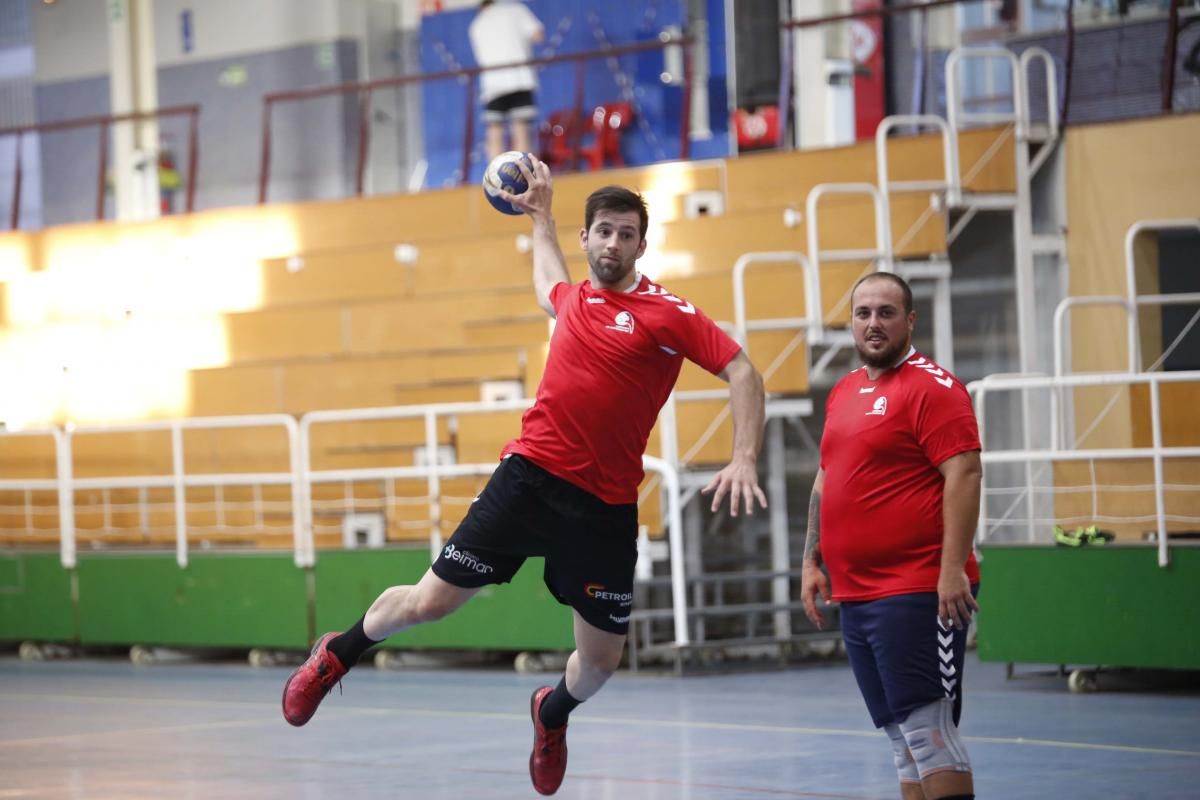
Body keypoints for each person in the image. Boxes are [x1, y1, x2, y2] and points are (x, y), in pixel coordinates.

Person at [281, 154, 768, 797]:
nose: (614, 242)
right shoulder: (572, 302)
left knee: (599, 664)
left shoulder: (668, 314)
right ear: (587, 237)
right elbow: (547, 282)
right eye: (603, 231)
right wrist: (540, 215)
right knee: (429, 602)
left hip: (605, 509)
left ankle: (551, 713)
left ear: (641, 244)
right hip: (529, 479)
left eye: (626, 233)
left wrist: (744, 457)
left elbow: (743, 372)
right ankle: (336, 655)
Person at [800, 272, 982, 800]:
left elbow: (965, 474)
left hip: (919, 590)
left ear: (910, 320)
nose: (873, 324)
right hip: (857, 593)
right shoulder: (845, 391)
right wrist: (811, 557)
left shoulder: (934, 388)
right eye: (863, 314)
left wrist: (950, 571)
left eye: (886, 312)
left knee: (930, 736)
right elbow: (826, 476)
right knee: (901, 741)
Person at [469, 0, 545, 162]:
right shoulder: (515, 9)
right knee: (521, 131)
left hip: (493, 85)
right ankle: (526, 176)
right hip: (519, 79)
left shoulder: (476, 25)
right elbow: (537, 35)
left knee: (494, 133)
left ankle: (494, 178)